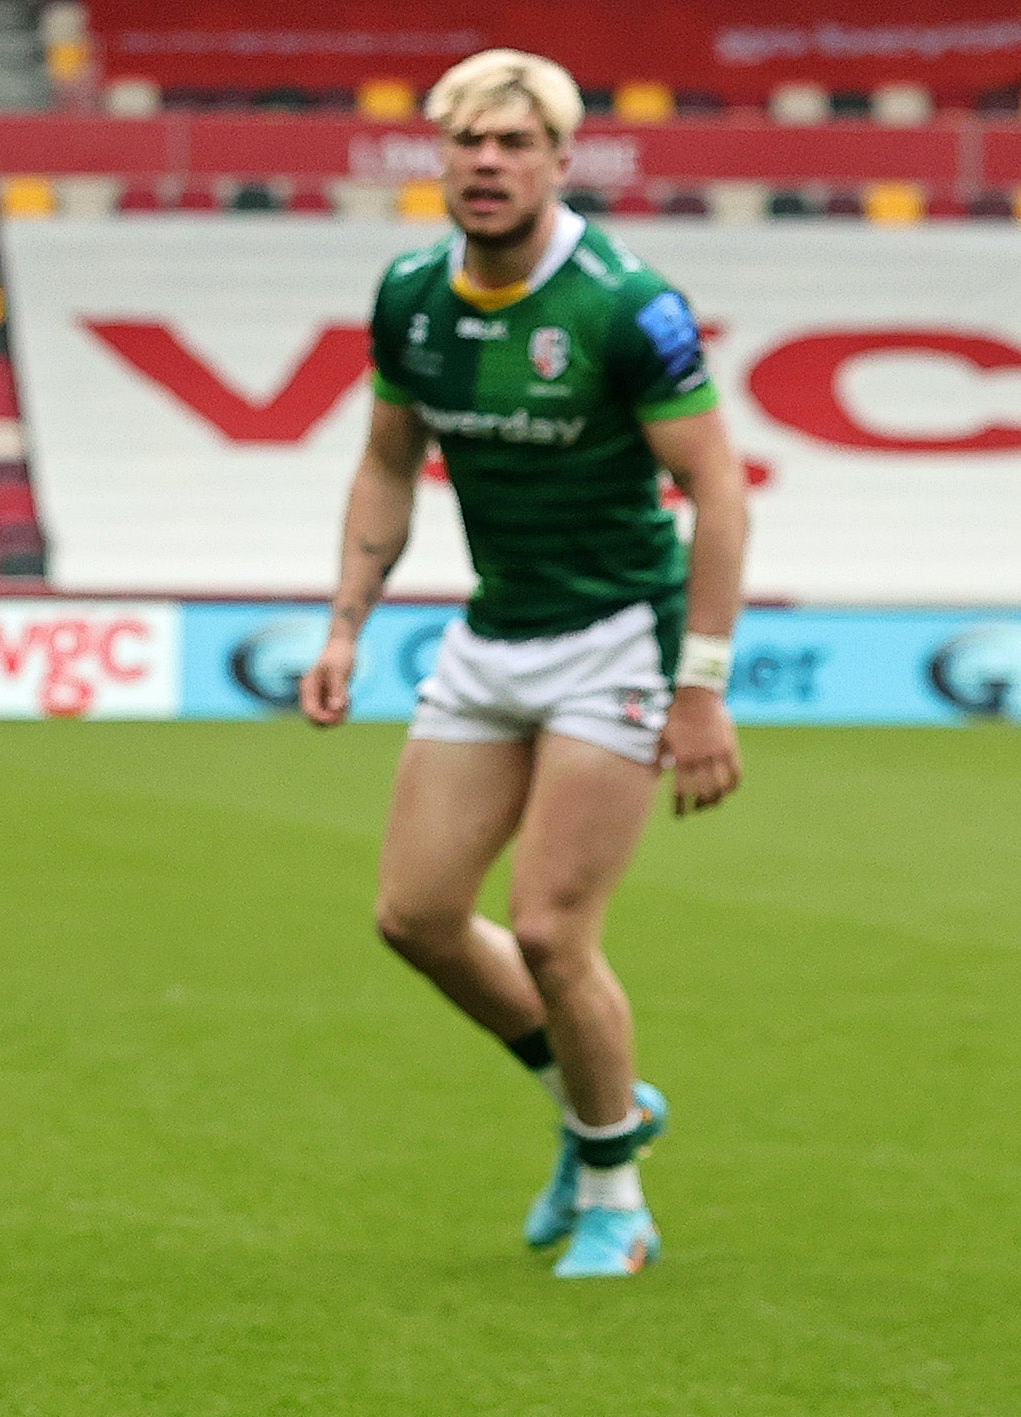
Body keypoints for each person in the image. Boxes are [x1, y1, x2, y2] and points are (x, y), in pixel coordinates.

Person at [299, 49, 747, 1280]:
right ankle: (598, 1097)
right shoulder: (409, 294)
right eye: (466, 143)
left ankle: (615, 1191)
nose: (486, 164)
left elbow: (715, 486)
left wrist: (700, 684)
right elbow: (388, 461)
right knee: (417, 916)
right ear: (438, 158)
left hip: (617, 638)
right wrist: (345, 620)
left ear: (557, 161)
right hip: (495, 633)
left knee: (551, 930)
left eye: (513, 145)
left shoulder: (619, 302)